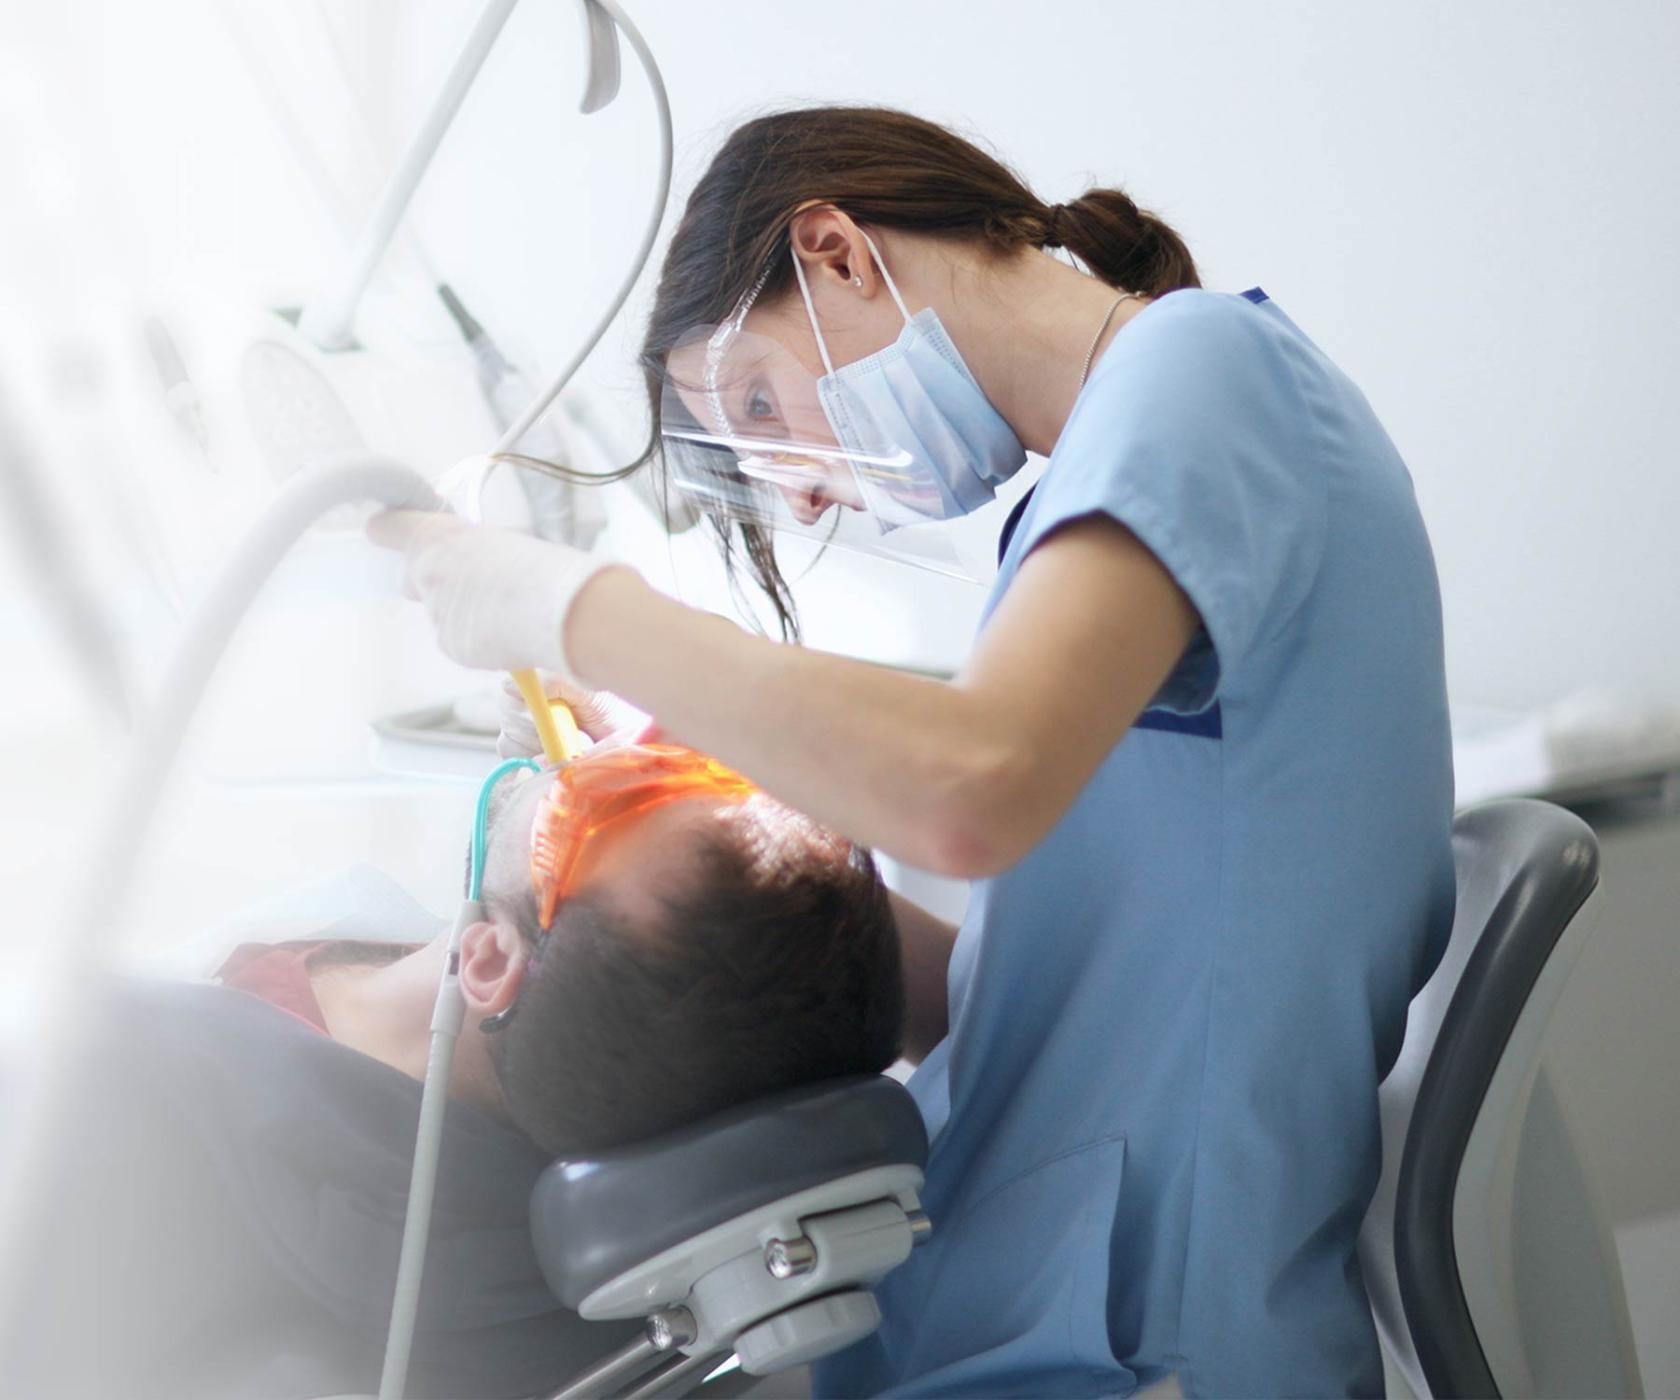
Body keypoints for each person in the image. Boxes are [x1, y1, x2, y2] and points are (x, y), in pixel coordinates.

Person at [371, 106, 1457, 1396]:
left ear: (834, 250)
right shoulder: (1075, 506)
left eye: (764, 406)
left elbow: (969, 790)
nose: (810, 494)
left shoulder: (1206, 369)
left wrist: (587, 614)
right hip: (1018, 1298)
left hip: (1140, 1341)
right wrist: (692, 802)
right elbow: (1030, 977)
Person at [1, 739, 904, 1399]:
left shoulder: (120, 1068)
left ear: (487, 962)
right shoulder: (620, 1063)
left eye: (622, 792)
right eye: (693, 754)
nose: (635, 744)